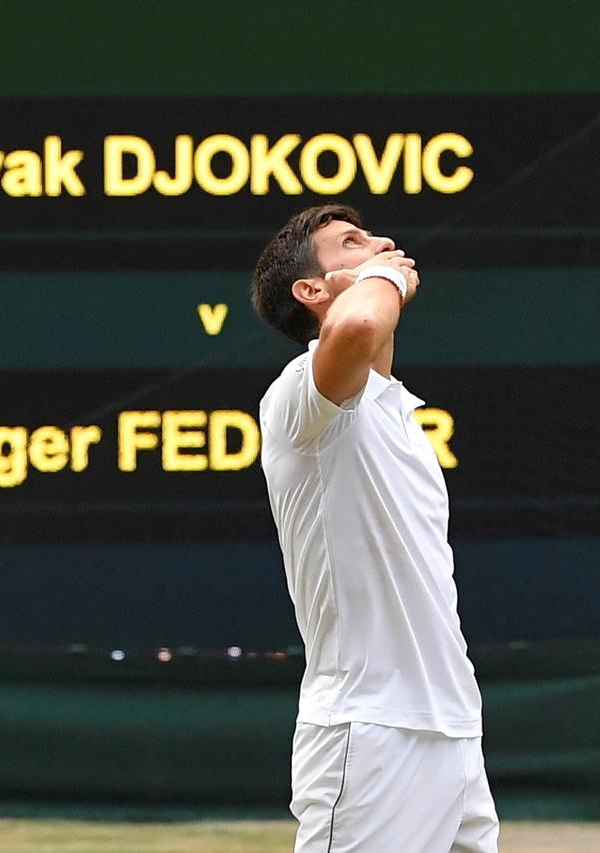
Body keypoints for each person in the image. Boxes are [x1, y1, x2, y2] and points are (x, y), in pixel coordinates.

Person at [251, 204, 499, 852]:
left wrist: (372, 271)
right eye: (352, 244)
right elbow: (358, 324)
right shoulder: (297, 395)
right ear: (312, 291)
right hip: (368, 736)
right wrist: (386, 276)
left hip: (452, 730)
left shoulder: (399, 413)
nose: (384, 243)